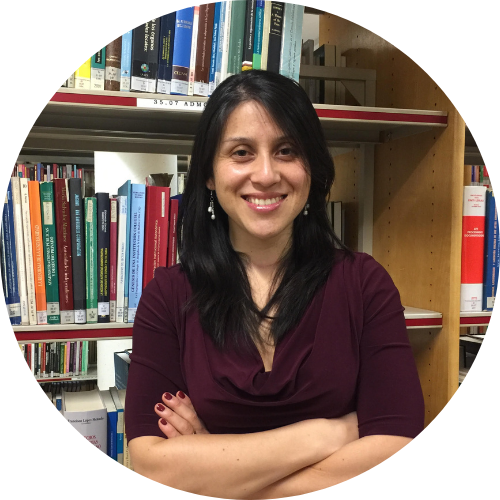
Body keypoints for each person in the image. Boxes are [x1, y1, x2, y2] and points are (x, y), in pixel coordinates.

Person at [125, 69, 424, 497]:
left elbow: (395, 444)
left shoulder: (365, 284)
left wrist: (217, 470)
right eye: (242, 152)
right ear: (208, 173)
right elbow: (153, 467)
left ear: (311, 167)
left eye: (286, 151)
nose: (266, 175)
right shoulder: (168, 297)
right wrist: (327, 434)